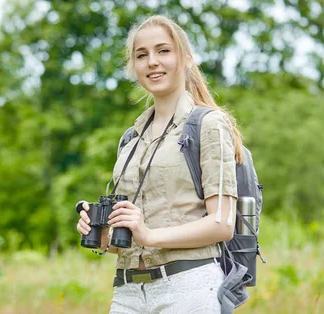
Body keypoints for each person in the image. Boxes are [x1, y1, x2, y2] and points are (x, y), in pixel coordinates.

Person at [76, 14, 245, 313]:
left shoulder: (208, 124)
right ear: (134, 67)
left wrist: (150, 235)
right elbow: (128, 240)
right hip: (128, 291)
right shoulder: (130, 139)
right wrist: (101, 234)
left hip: (188, 288)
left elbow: (222, 224)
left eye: (163, 51)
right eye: (142, 55)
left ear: (187, 58)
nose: (152, 61)